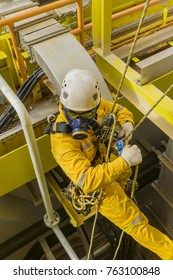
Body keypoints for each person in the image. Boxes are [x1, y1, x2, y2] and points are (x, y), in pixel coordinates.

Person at [50, 68, 173, 260]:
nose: (81, 121)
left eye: (87, 114)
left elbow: (119, 110)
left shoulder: (95, 106)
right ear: (65, 107)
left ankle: (124, 188)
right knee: (138, 225)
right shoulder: (62, 143)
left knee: (123, 168)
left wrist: (127, 124)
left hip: (107, 161)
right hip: (100, 188)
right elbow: (87, 180)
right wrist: (124, 161)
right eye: (75, 115)